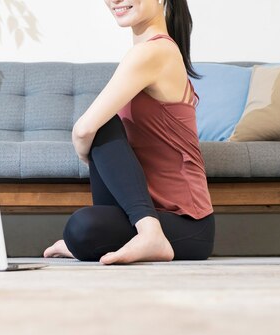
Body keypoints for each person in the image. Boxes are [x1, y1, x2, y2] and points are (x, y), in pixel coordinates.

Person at [44, 0, 214, 264]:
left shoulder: (155, 51)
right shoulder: (152, 52)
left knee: (82, 225)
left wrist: (84, 149)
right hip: (152, 214)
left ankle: (150, 234)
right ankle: (137, 233)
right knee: (81, 231)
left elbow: (83, 130)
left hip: (189, 225)